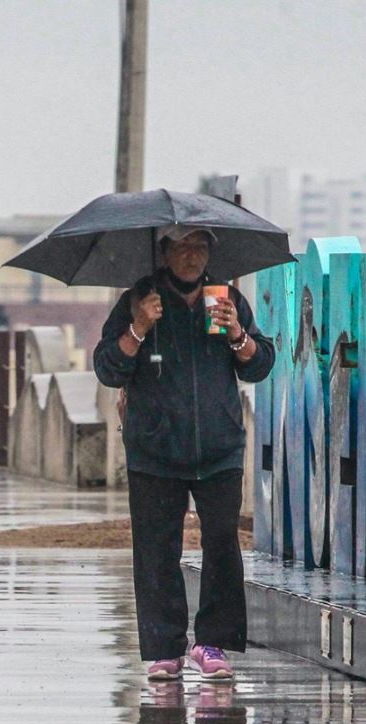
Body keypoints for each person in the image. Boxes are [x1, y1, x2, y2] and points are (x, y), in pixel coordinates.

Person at [93, 226, 275, 683]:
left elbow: (259, 364)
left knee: (221, 544)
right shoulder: (140, 299)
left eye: (200, 248)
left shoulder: (224, 299)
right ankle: (164, 648)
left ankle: (212, 643)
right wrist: (139, 327)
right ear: (165, 252)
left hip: (218, 447)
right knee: (156, 551)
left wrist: (236, 332)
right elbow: (108, 369)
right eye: (182, 247)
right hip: (155, 449)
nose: (191, 257)